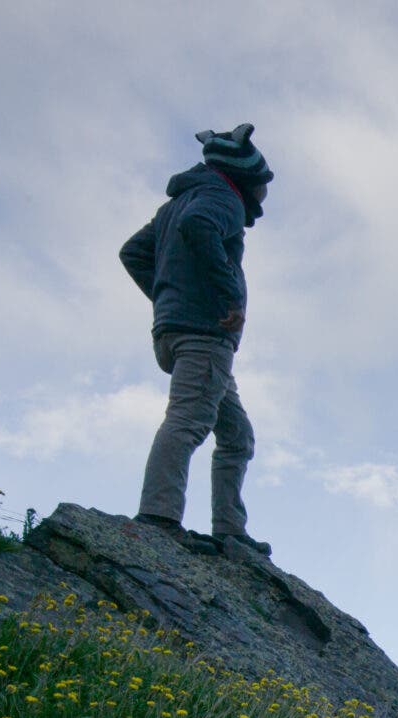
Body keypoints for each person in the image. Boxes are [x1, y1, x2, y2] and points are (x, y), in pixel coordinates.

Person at [120, 123, 273, 555]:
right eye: (262, 185)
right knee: (188, 421)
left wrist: (167, 297)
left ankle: (230, 530)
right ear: (243, 176)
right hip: (205, 335)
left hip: (180, 331)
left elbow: (132, 251)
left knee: (237, 435)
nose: (264, 196)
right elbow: (200, 226)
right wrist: (225, 294)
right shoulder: (217, 198)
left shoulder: (181, 200)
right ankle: (158, 517)